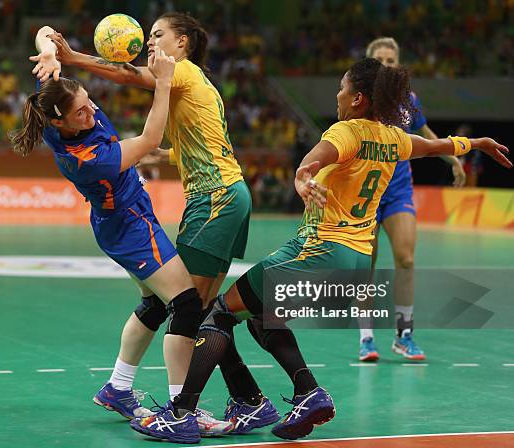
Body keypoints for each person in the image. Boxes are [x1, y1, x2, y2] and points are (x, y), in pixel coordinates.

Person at [129, 57, 511, 443]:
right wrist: (474, 143)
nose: (338, 94)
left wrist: (303, 176)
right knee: (262, 317)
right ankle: (302, 394)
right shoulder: (393, 138)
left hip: (321, 250)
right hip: (357, 264)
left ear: (359, 99)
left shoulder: (346, 131)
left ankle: (181, 414)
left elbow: (312, 161)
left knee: (218, 314)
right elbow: (434, 146)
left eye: (343, 88)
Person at [37, 13, 282, 434]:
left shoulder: (181, 71)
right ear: (61, 119)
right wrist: (70, 58)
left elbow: (129, 77)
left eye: (158, 35)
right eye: (147, 35)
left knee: (192, 307)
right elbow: (160, 127)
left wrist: (66, 55)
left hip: (215, 198)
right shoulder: (187, 80)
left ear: (182, 42)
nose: (149, 42)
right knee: (187, 306)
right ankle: (234, 399)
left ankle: (188, 408)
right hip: (216, 196)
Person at [359, 37, 467, 362]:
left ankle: (404, 334)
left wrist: (454, 157)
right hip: (365, 192)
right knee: (368, 265)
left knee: (405, 259)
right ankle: (366, 338)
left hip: (398, 191)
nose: (387, 65)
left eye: (392, 60)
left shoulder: (409, 99)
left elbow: (425, 135)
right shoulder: (360, 101)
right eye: (380, 60)